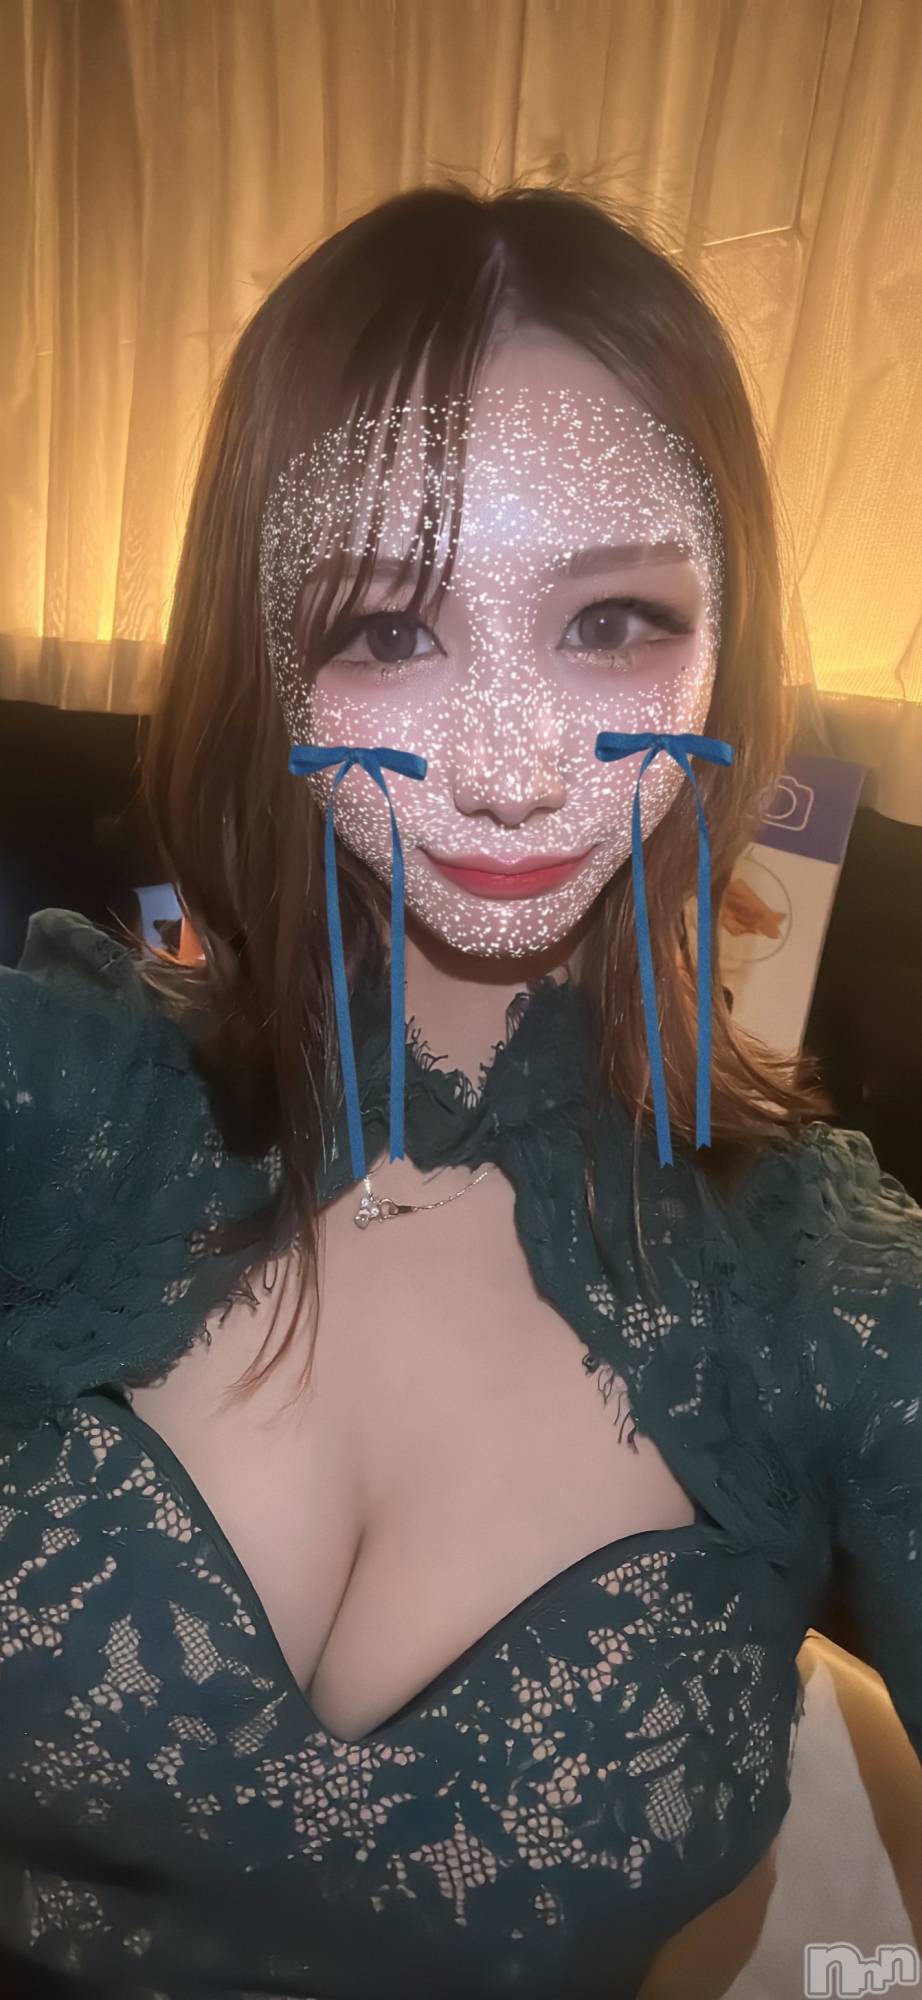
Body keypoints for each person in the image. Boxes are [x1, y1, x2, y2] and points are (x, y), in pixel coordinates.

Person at [0, 180, 919, 2000]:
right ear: (267, 659)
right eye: (388, 630)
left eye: (613, 619)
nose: (508, 769)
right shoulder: (67, 1100)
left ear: (727, 638)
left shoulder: (821, 1290)